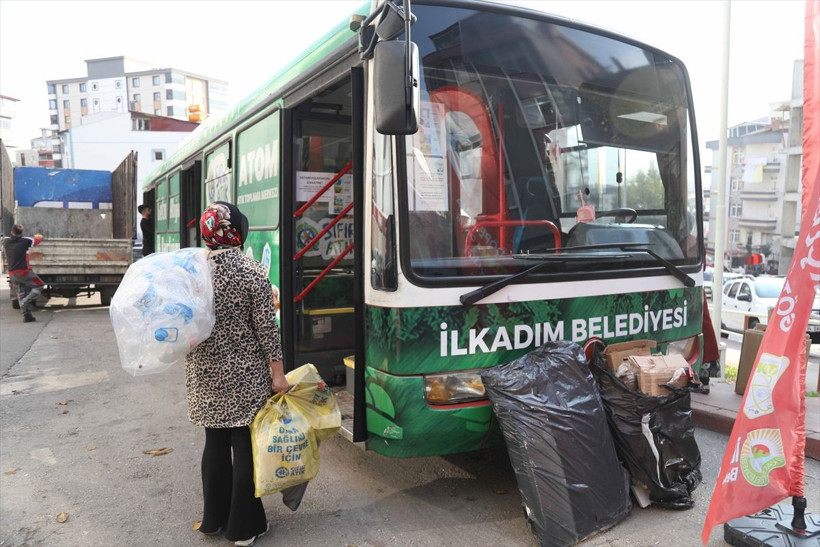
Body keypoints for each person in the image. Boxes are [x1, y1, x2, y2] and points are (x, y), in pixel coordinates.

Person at [185, 201, 288, 546]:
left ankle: (213, 520)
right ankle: (243, 527)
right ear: (235, 231)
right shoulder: (251, 271)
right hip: (245, 376)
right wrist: (278, 374)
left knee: (214, 444)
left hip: (204, 375)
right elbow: (267, 330)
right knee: (245, 447)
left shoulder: (193, 272)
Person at [2, 224, 45, 323]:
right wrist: (39, 236)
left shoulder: (6, 241)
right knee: (39, 285)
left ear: (11, 232)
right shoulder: (26, 241)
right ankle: (25, 302)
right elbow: (38, 239)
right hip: (24, 272)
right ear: (22, 233)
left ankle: (27, 316)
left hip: (12, 273)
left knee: (21, 293)